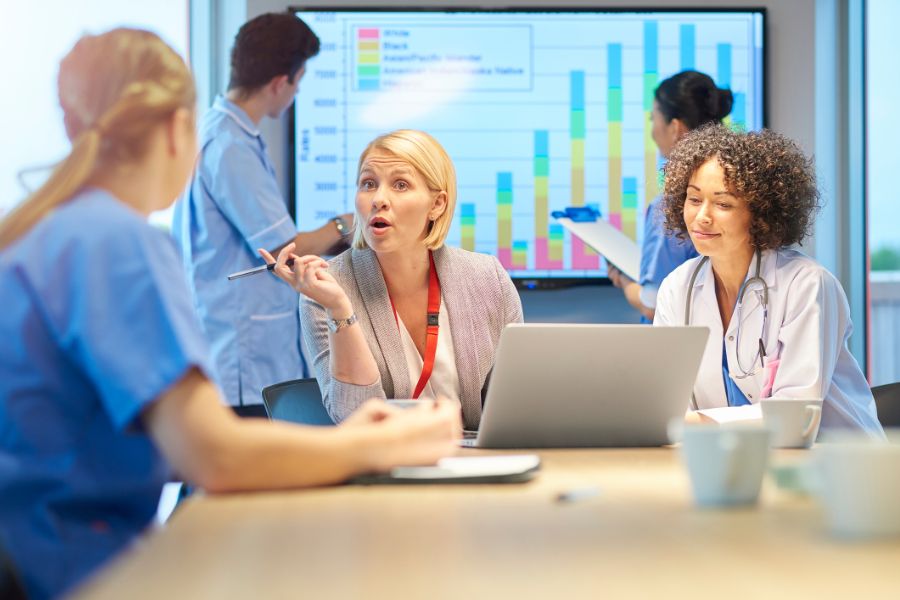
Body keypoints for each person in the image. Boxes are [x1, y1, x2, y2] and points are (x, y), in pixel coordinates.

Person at [0, 29, 459, 600]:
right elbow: (211, 455)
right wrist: (373, 445)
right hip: (71, 572)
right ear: (176, 131)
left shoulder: (39, 236)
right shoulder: (116, 242)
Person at [262, 130, 524, 430]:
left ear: (437, 204)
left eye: (400, 185)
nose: (378, 199)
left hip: (476, 465)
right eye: (368, 184)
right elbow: (355, 418)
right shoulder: (327, 288)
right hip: (382, 465)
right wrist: (339, 309)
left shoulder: (488, 278)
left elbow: (514, 406)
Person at [173, 12, 353, 412]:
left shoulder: (222, 132)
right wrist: (344, 225)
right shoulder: (230, 146)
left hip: (237, 347)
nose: (296, 93)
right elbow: (282, 246)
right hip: (243, 361)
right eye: (299, 81)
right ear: (279, 83)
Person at [653, 125, 882, 433]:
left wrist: (689, 423)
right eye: (694, 199)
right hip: (739, 460)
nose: (702, 216)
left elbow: (796, 417)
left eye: (723, 204)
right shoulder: (677, 288)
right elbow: (666, 403)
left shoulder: (807, 285)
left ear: (760, 212)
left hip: (837, 465)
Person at [608, 71, 732, 321]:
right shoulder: (742, 196)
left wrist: (623, 280)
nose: (653, 131)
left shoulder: (669, 207)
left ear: (675, 128)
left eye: (653, 119)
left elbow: (653, 305)